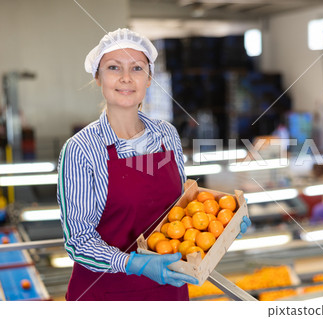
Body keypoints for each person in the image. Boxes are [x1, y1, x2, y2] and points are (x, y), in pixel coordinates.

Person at [57, 28, 251, 301]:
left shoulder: (167, 135)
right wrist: (132, 263)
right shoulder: (81, 149)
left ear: (149, 79)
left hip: (169, 292)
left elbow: (181, 211)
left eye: (137, 68)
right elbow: (78, 241)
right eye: (114, 67)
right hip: (105, 296)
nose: (126, 78)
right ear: (98, 77)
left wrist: (221, 227)